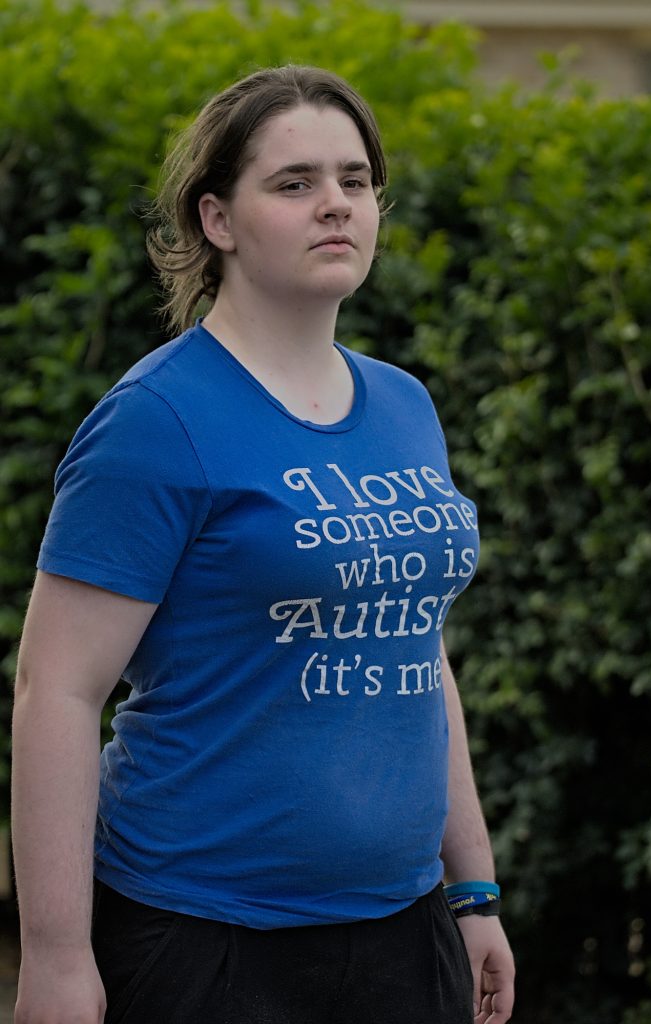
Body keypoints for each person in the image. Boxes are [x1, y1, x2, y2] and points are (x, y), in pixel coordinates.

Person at [11, 65, 515, 1024]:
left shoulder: (405, 405)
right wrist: (57, 958)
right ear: (217, 221)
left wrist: (473, 888)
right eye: (294, 184)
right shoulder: (156, 421)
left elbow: (414, 643)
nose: (336, 204)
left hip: (404, 933)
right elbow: (57, 692)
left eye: (355, 180)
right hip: (204, 940)